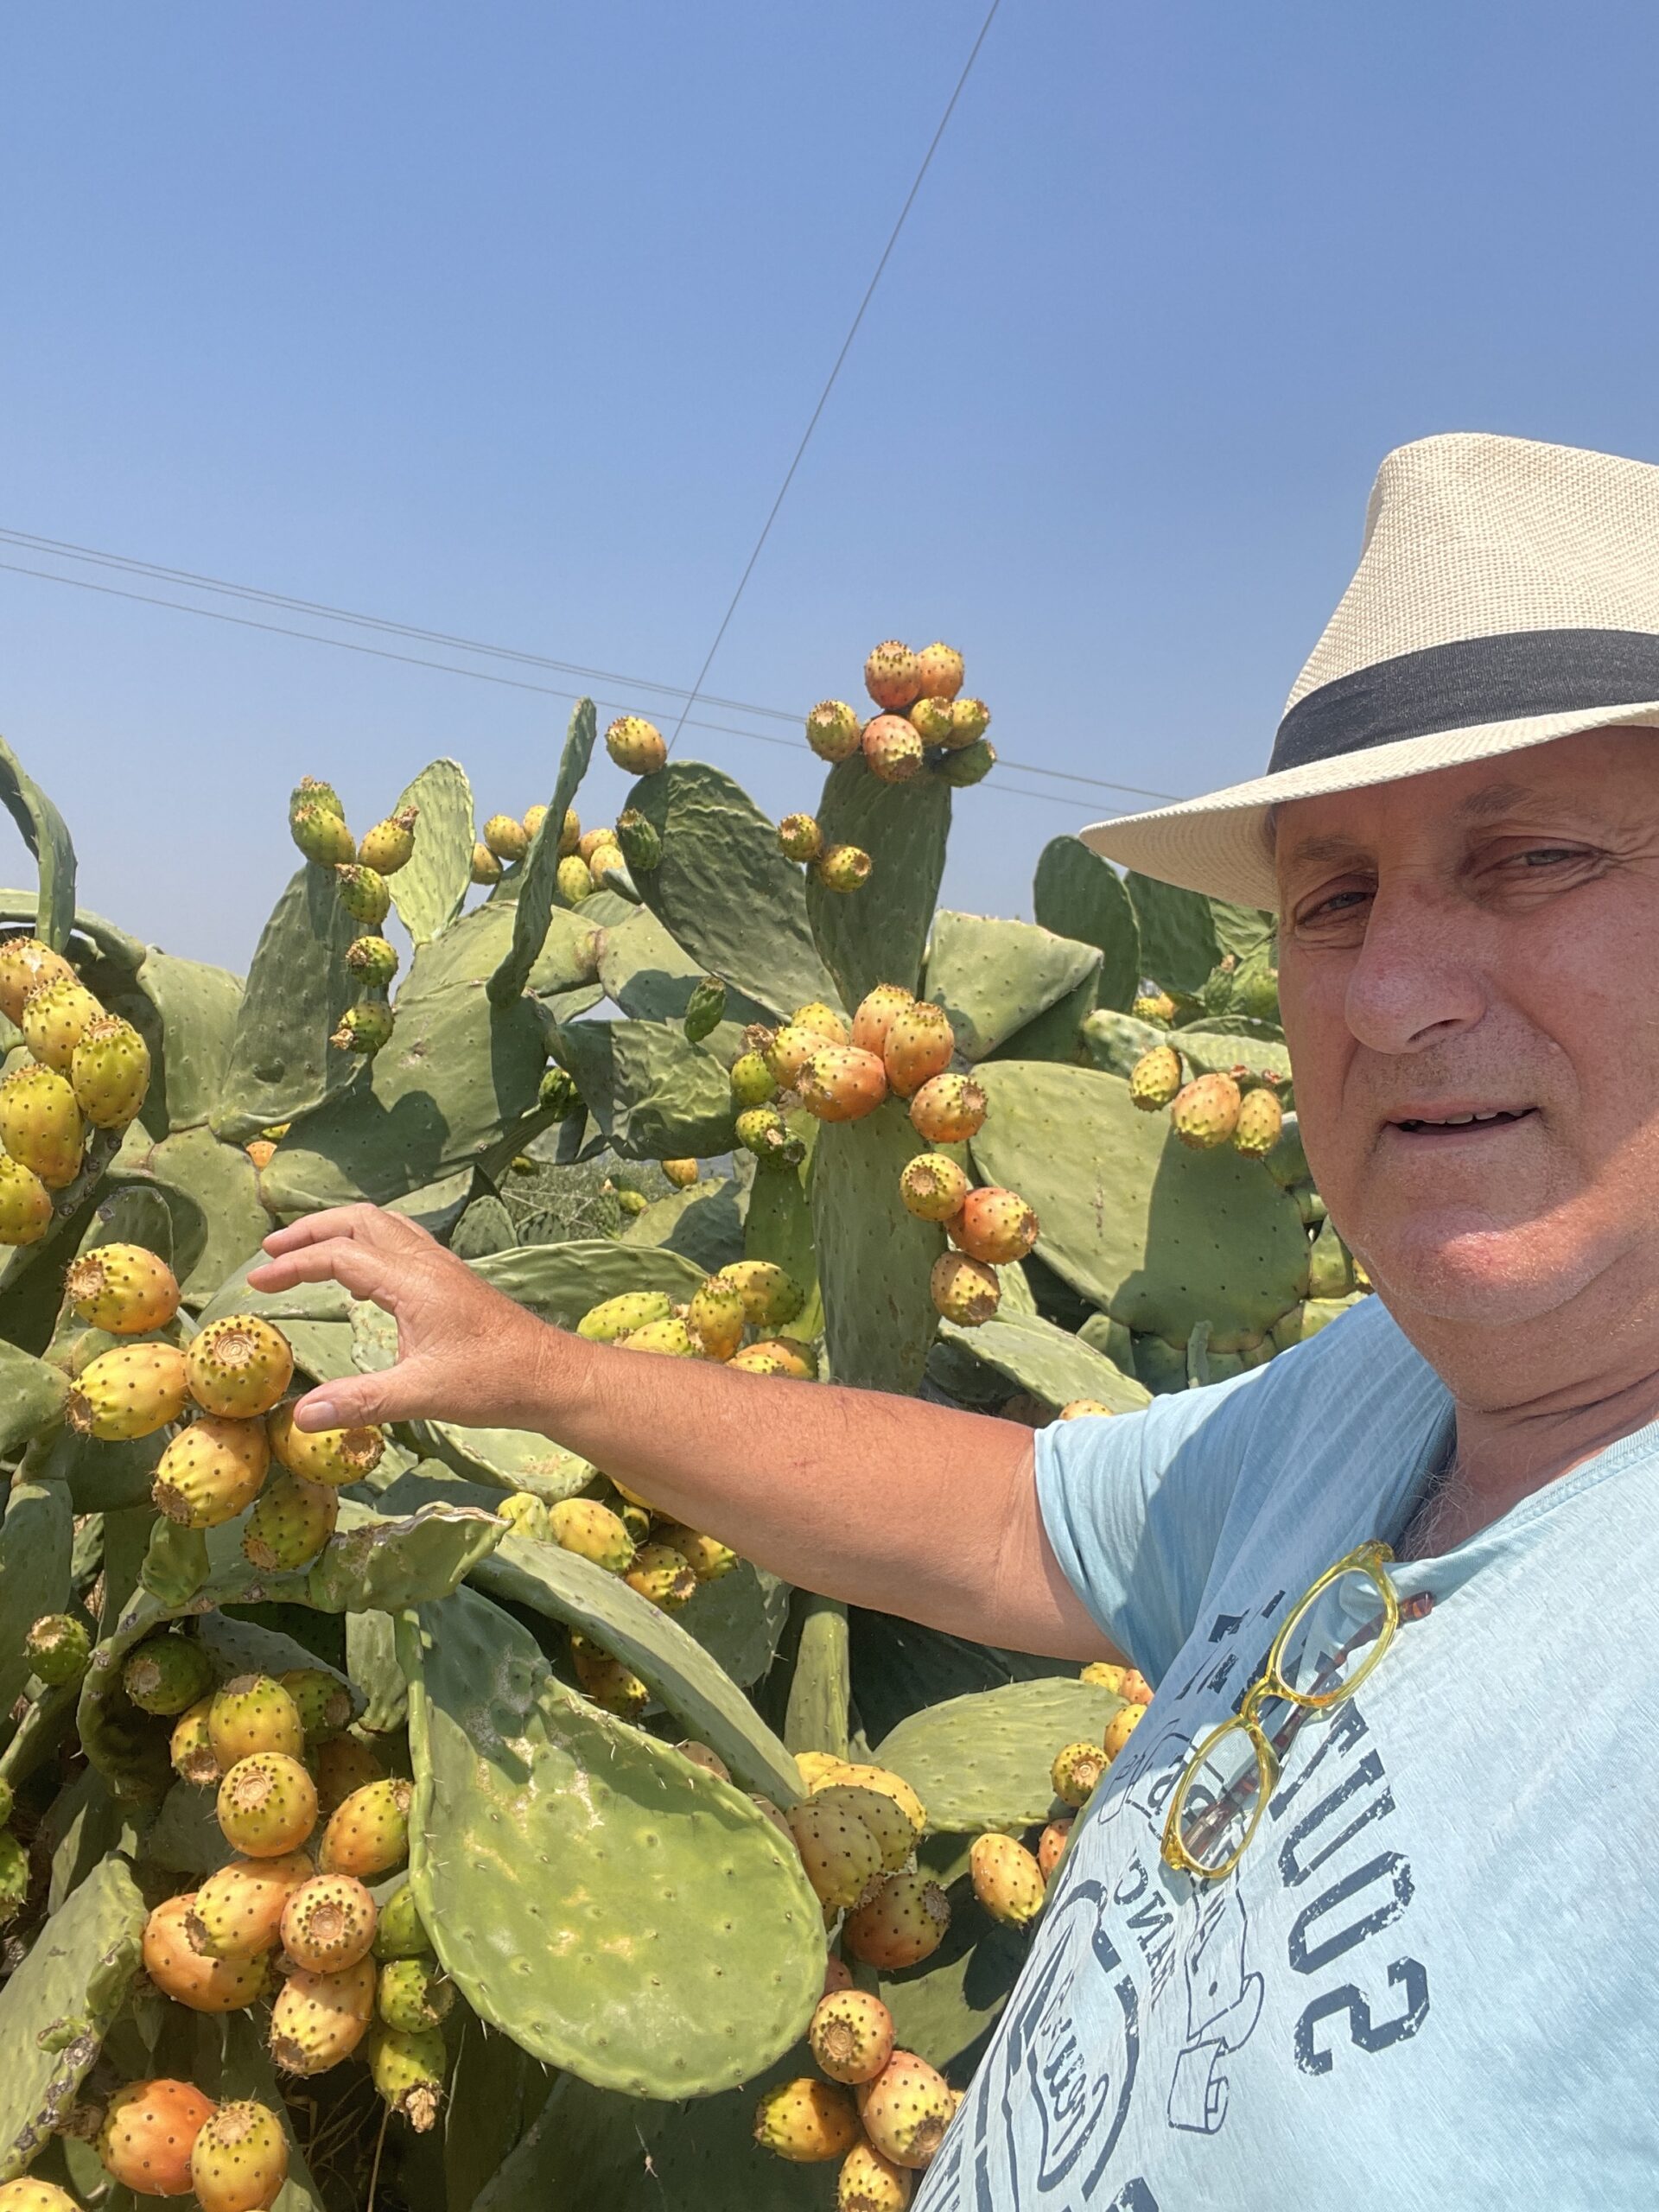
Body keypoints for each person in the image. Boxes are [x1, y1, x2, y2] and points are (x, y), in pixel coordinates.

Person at [251, 431, 1659, 2209]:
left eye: (1532, 855)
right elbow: (1006, 1511)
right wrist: (540, 1365)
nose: (1384, 992)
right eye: (1333, 894)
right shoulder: (1371, 1398)